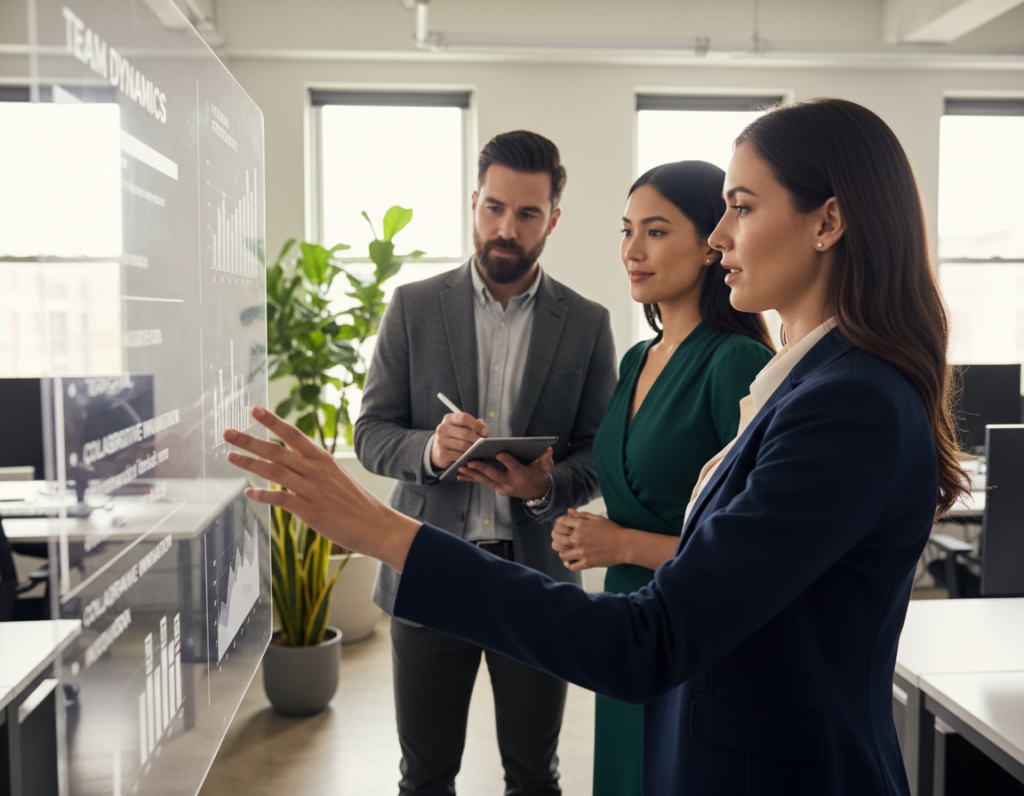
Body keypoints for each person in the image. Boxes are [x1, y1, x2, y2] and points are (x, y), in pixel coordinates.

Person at [225, 98, 969, 796]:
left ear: (828, 221)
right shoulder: (806, 383)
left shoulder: (848, 404)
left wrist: (382, 530)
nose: (718, 238)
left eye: (740, 209)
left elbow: (652, 637)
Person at [351, 129, 617, 796]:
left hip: (534, 579)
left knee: (534, 775)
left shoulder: (586, 323)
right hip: (429, 567)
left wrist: (544, 484)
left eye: (527, 214)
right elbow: (370, 433)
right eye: (494, 207)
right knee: (426, 775)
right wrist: (430, 451)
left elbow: (599, 454)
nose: (507, 228)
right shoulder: (413, 307)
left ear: (553, 219)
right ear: (474, 202)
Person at [548, 161, 774, 796]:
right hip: (624, 619)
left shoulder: (737, 364)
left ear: (711, 244)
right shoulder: (637, 357)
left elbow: (751, 559)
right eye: (627, 231)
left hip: (696, 631)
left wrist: (620, 544)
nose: (632, 251)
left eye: (655, 231)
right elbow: (624, 475)